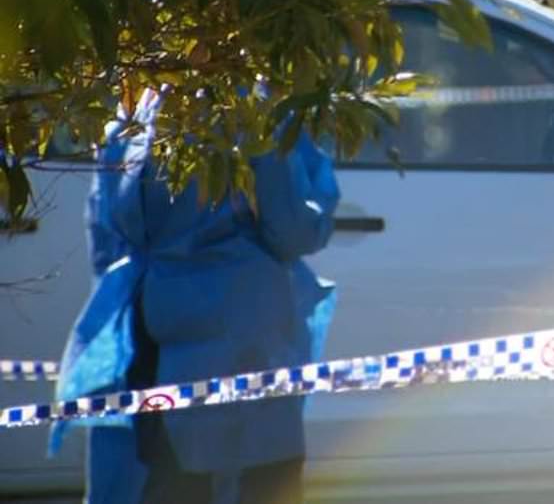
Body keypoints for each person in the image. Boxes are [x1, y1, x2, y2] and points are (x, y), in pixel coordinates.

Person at [53, 87, 340, 504]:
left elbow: (104, 236)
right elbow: (293, 229)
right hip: (246, 341)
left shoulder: (132, 111)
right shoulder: (248, 107)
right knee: (259, 481)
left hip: (150, 342)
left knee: (167, 482)